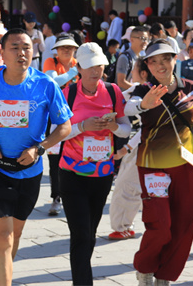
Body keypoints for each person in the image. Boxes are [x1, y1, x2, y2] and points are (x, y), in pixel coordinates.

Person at [0, 28, 73, 286]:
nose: (21, 53)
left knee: (15, 235)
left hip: (29, 170)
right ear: (3, 53)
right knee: (4, 236)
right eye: (15, 48)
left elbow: (65, 126)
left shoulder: (45, 84)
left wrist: (40, 148)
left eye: (26, 47)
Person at [124, 40, 193, 286]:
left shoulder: (191, 88)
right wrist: (143, 104)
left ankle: (165, 275)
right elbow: (129, 108)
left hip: (185, 167)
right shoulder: (143, 90)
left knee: (186, 221)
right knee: (160, 224)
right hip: (153, 166)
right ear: (147, 65)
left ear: (175, 59)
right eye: (154, 61)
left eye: (165, 59)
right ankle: (145, 268)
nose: (160, 65)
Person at [59, 42, 131, 285]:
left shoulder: (112, 91)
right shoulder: (68, 94)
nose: (95, 71)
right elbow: (56, 133)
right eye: (90, 66)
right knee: (80, 233)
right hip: (72, 173)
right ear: (78, 68)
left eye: (99, 65)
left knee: (90, 234)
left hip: (102, 174)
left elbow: (126, 128)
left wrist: (113, 126)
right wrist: (82, 126)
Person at [109, 58, 148, 240]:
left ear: (143, 73)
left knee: (127, 187)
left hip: (141, 147)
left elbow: (148, 127)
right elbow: (117, 99)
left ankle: (122, 227)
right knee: (133, 187)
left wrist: (126, 148)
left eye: (134, 70)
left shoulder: (146, 93)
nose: (131, 73)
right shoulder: (136, 90)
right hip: (140, 146)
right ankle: (126, 225)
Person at [43, 33, 79, 216]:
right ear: (56, 49)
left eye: (70, 47)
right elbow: (53, 82)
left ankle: (73, 194)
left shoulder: (79, 62)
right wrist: (75, 72)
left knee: (76, 154)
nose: (66, 50)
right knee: (55, 158)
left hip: (76, 115)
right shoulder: (51, 62)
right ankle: (56, 197)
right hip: (55, 116)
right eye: (63, 47)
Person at [116, 26, 149, 92]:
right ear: (132, 39)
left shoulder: (140, 57)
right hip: (124, 96)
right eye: (142, 38)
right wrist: (140, 90)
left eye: (146, 39)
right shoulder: (124, 58)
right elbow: (121, 82)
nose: (145, 42)